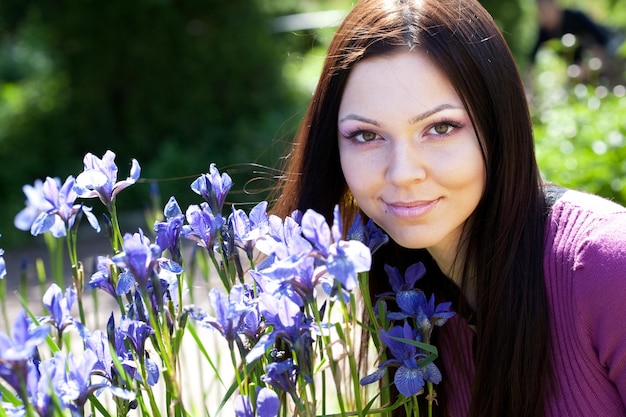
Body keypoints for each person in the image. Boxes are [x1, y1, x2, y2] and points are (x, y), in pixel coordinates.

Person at [270, 0, 626, 416]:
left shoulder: (606, 267)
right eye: (366, 135)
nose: (402, 173)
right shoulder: (407, 299)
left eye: (440, 128)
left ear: (498, 126)